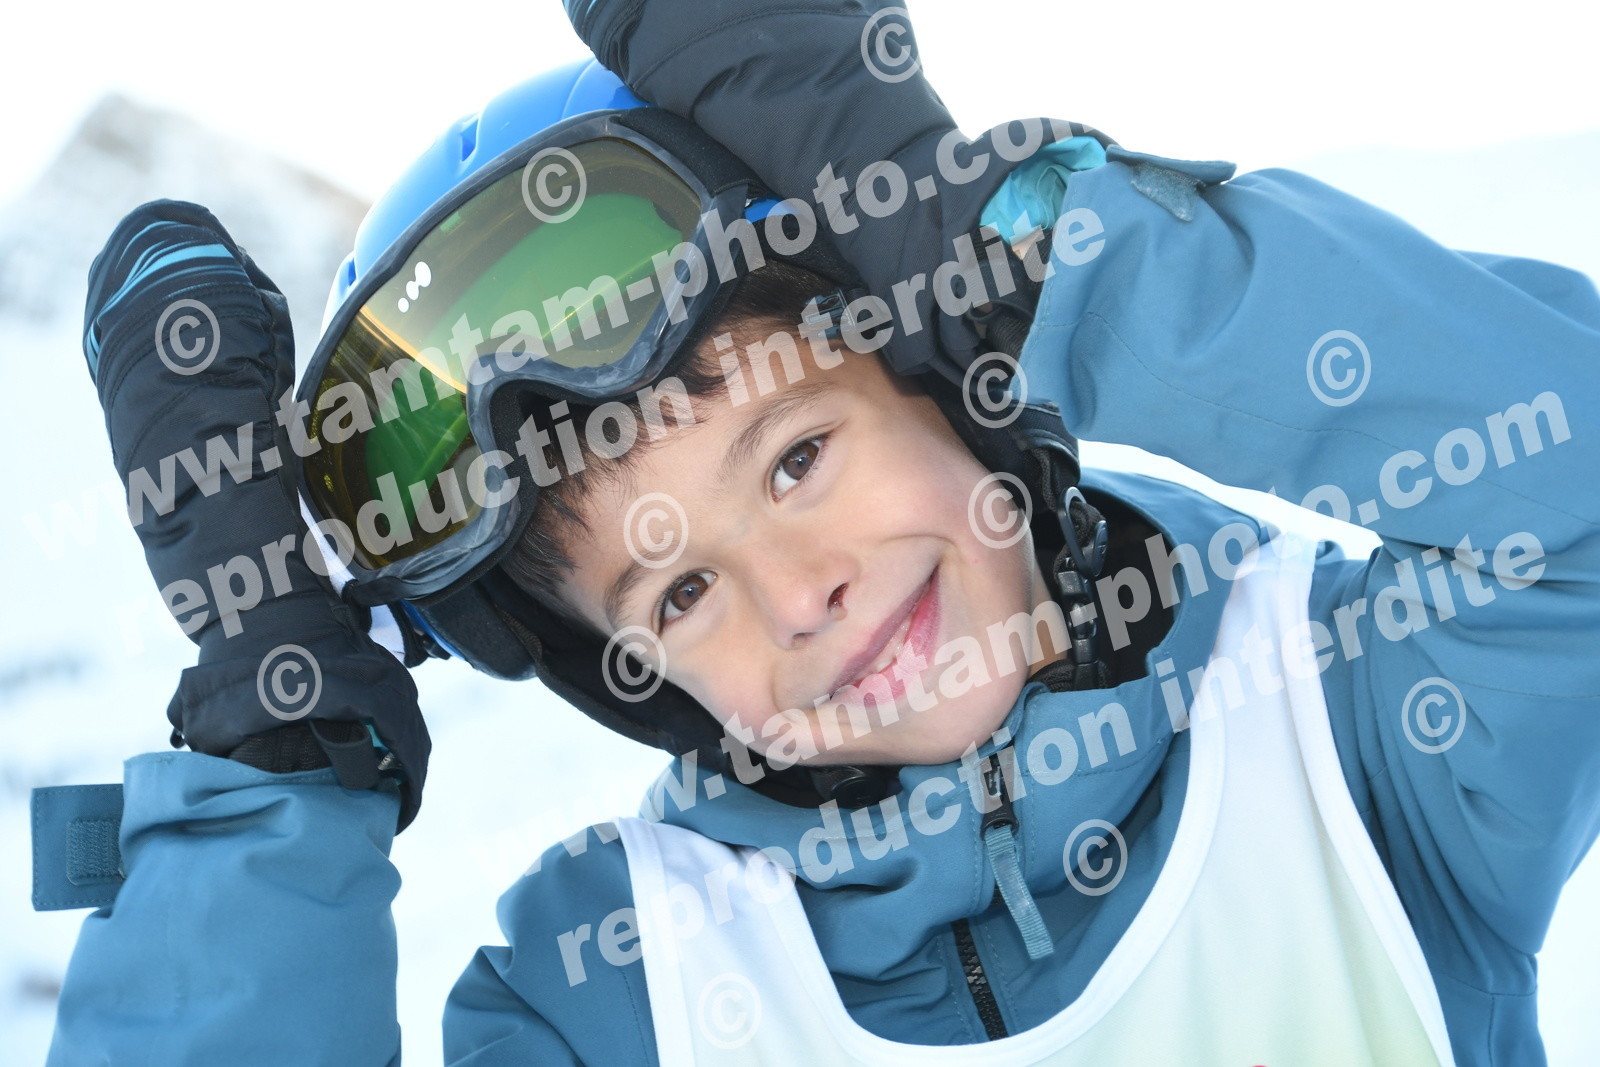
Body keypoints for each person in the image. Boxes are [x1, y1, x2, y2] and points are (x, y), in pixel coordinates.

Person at [30, 2, 1600, 1065]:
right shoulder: (617, 999)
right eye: (679, 592)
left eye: (795, 458)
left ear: (958, 381)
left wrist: (1035, 259)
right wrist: (280, 774)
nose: (799, 595)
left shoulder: (1345, 735)